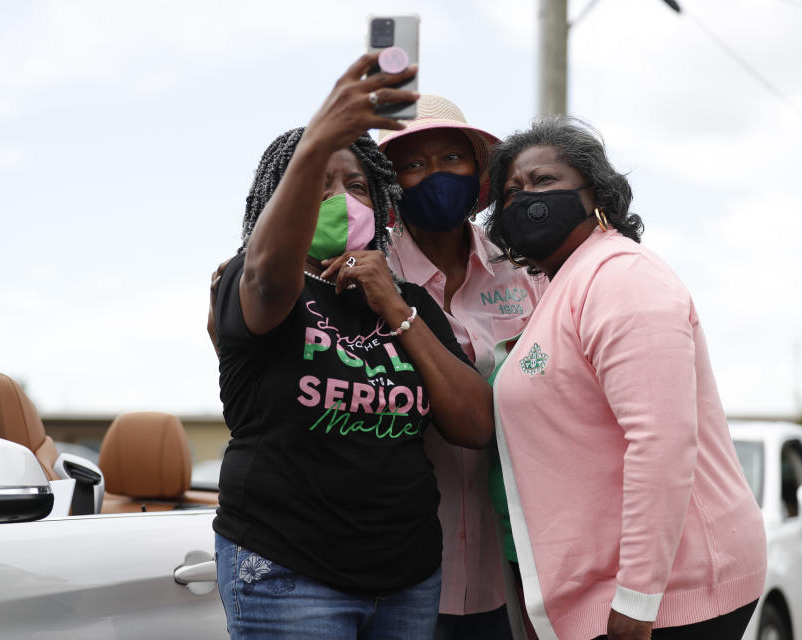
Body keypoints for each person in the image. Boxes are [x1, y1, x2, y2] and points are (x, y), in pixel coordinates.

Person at [211, 53, 495, 640]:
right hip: (291, 573)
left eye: (358, 185)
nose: (342, 199)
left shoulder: (408, 298)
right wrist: (318, 140)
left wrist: (395, 307)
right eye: (318, 185)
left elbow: (473, 423)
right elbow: (268, 279)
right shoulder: (252, 283)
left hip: (409, 580)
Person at [482, 117, 767, 640]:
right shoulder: (563, 286)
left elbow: (660, 441)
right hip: (612, 592)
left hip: (672, 594)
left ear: (597, 193)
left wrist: (637, 598)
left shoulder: (621, 276)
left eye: (544, 181)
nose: (524, 198)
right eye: (510, 192)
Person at [377, 96, 548, 640]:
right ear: (389, 183)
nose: (434, 175)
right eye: (412, 163)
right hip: (404, 570)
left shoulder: (521, 271)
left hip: (515, 562)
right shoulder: (373, 276)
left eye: (452, 157)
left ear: (478, 172)